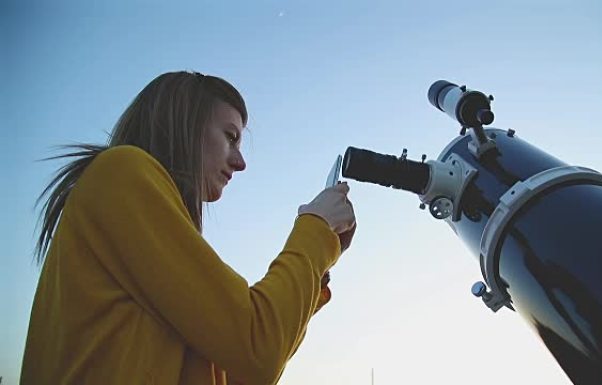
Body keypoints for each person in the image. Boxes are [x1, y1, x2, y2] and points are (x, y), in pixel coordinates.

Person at [22, 71, 357, 384]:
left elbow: (236, 371)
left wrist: (315, 271)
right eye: (230, 137)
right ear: (183, 125)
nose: (240, 162)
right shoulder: (121, 172)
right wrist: (315, 228)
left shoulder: (130, 209)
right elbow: (256, 348)